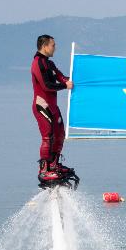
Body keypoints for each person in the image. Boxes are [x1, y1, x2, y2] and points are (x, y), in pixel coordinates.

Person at [31, 34, 75, 184]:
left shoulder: (50, 64)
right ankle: (44, 170)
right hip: (42, 105)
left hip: (53, 107)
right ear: (44, 46)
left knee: (60, 135)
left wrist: (72, 81)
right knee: (48, 136)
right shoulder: (38, 63)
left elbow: (61, 77)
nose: (55, 48)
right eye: (53, 45)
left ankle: (54, 165)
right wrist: (65, 86)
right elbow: (46, 86)